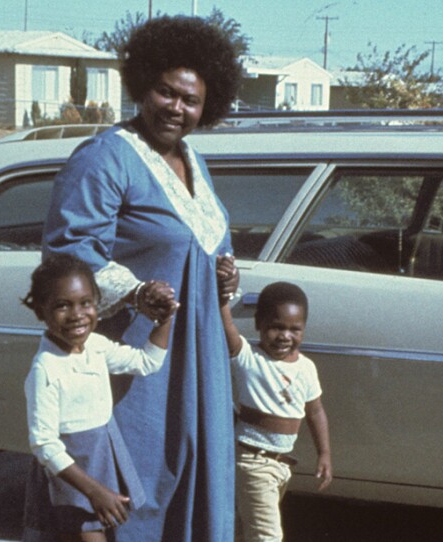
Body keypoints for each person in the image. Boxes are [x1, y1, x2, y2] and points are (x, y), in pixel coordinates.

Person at [42, 15, 242, 542]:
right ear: (142, 86)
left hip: (197, 360)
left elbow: (208, 242)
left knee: (194, 471)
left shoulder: (193, 163)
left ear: (208, 106)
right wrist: (135, 290)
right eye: (165, 91)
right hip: (132, 363)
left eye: (191, 100)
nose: (176, 107)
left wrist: (224, 275)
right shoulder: (106, 158)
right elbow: (69, 252)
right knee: (132, 484)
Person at [21, 253, 178, 541]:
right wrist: (94, 490)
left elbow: (145, 363)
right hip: (71, 472)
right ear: (41, 311)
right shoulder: (46, 368)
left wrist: (164, 321)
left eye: (86, 303)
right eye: (62, 306)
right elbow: (44, 444)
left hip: (102, 456)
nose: (77, 314)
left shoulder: (95, 346)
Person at [217, 256, 333, 542]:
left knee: (243, 531)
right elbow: (227, 326)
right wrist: (223, 297)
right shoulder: (249, 358)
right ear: (258, 324)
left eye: (294, 329)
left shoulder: (306, 368)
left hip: (281, 466)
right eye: (276, 327)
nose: (285, 336)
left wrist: (325, 454)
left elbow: (315, 411)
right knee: (267, 536)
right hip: (252, 462)